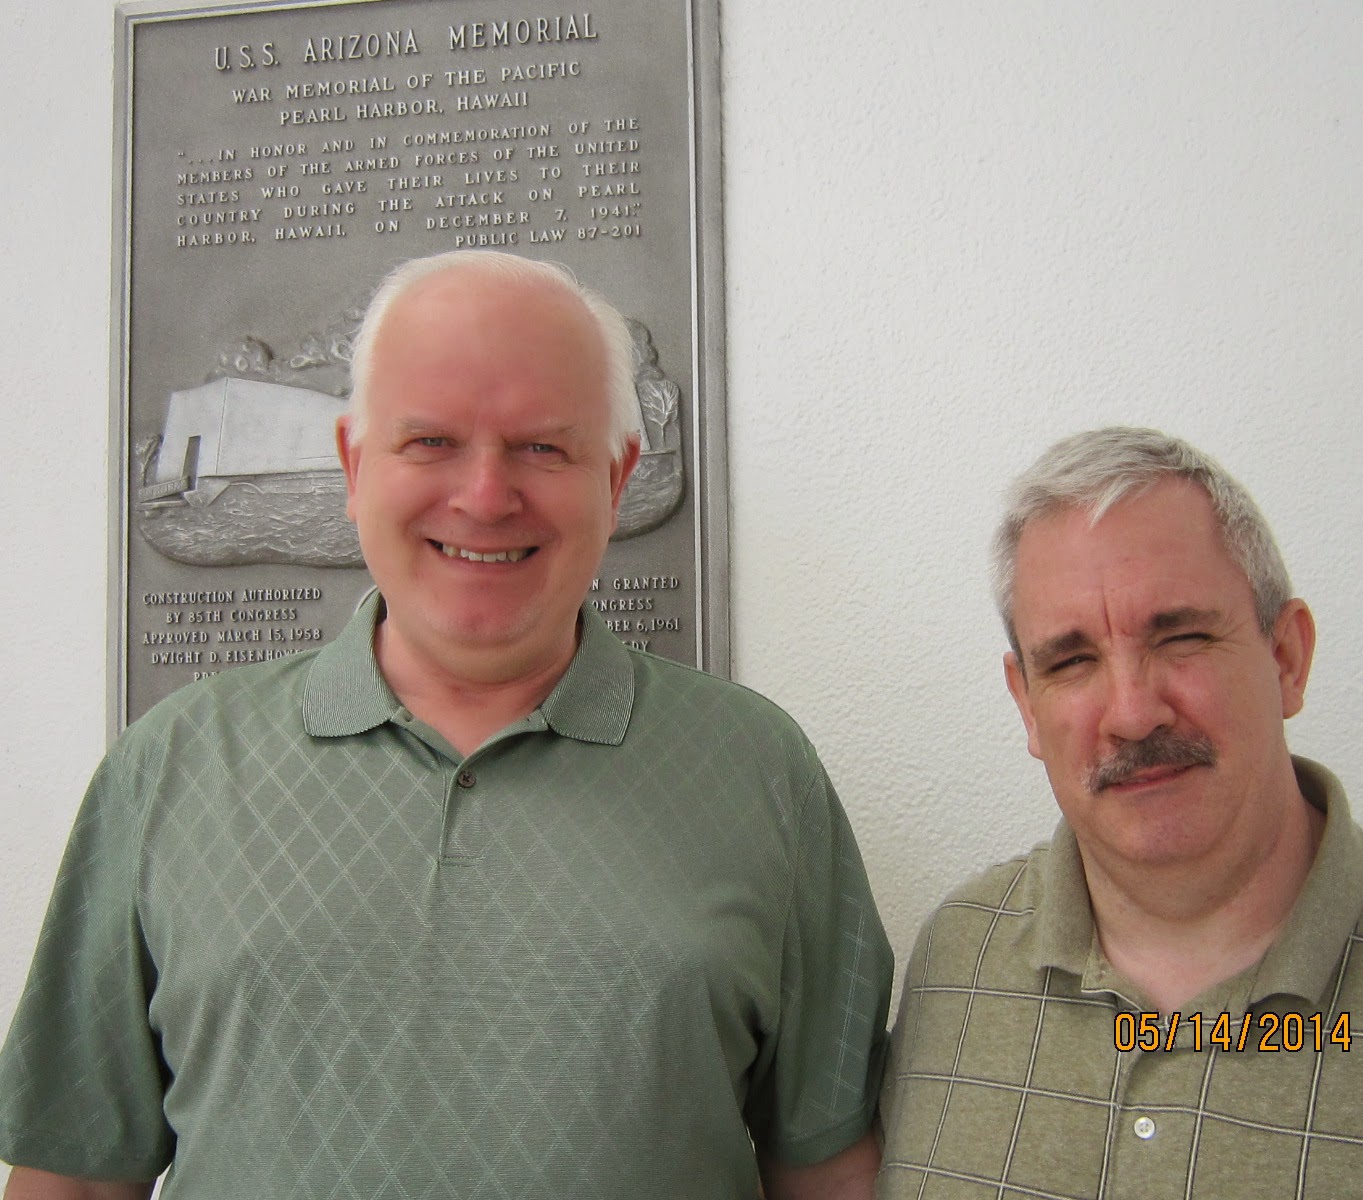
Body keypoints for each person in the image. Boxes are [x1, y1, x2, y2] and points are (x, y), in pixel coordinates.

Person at [0, 251, 892, 1200]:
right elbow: (78, 1180)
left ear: (619, 475)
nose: (483, 496)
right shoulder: (169, 767)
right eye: (430, 442)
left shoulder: (763, 774)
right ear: (352, 464)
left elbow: (827, 1170)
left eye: (543, 446)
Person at [877, 426, 1363, 1198]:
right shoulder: (955, 966)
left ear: (1287, 658)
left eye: (1181, 636)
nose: (1132, 713)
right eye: (1073, 660)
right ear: (1026, 705)